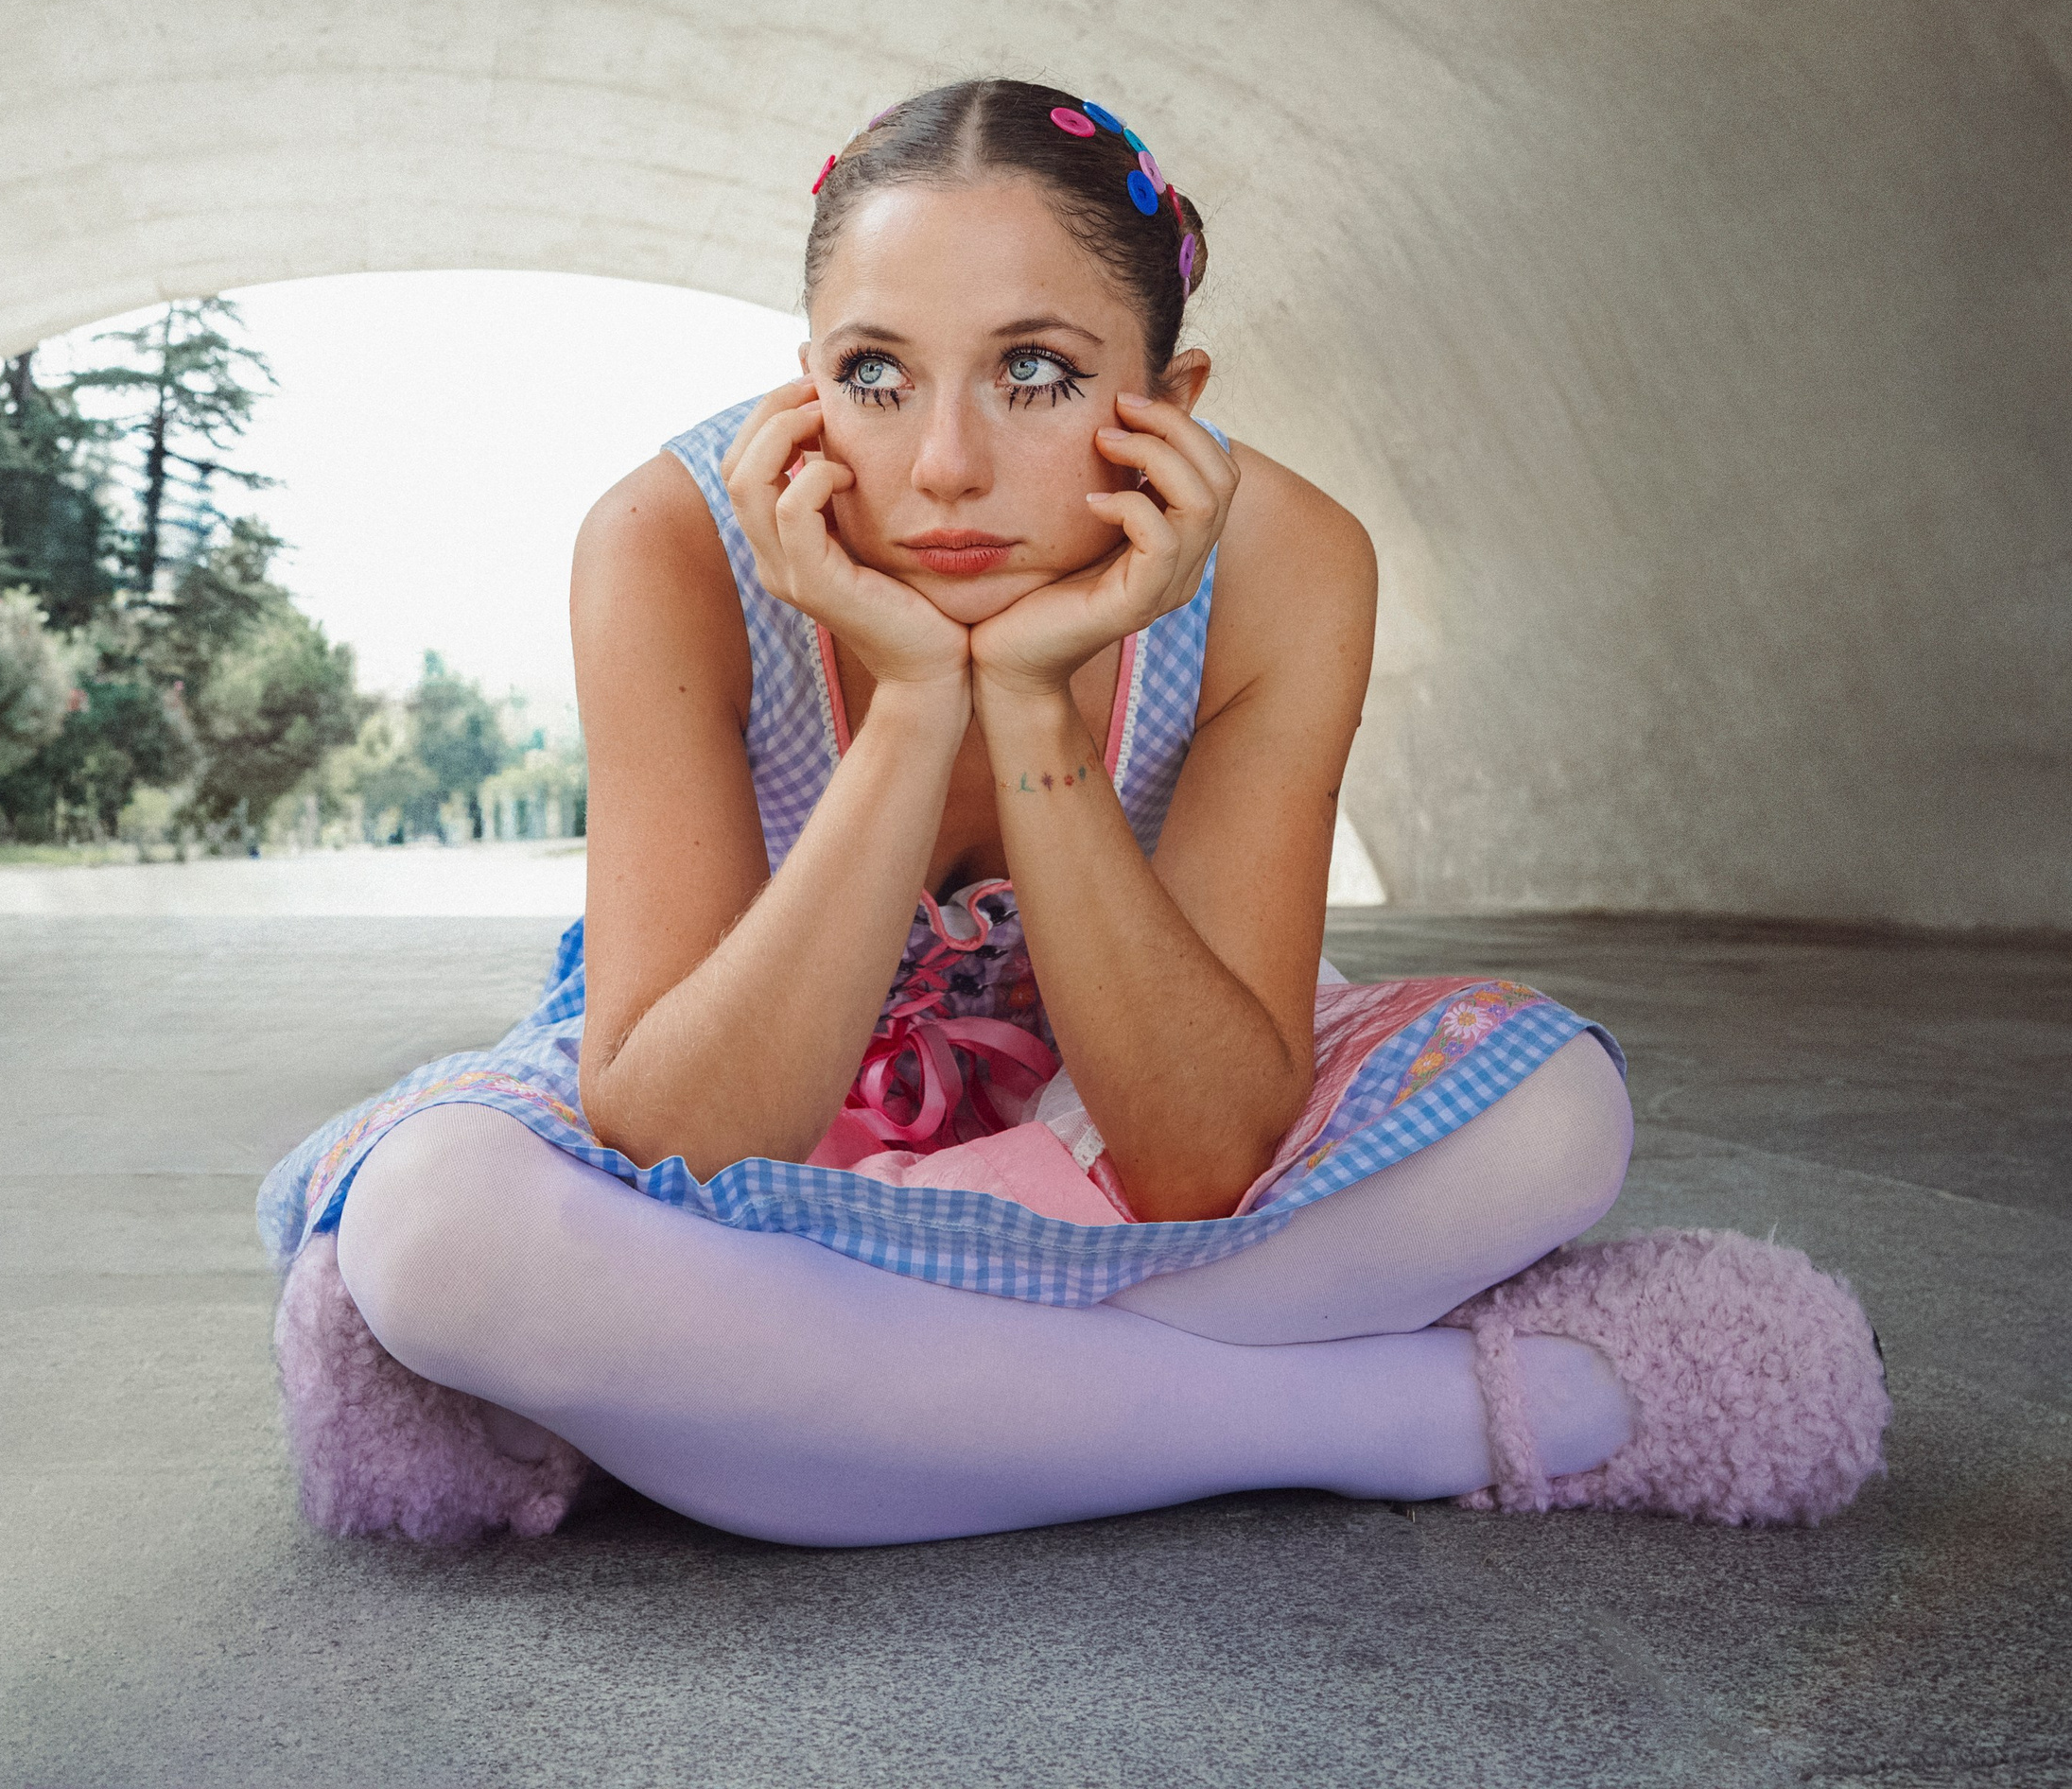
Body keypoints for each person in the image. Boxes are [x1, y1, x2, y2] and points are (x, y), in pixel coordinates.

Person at [263, 79, 1889, 1548]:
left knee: (1557, 1121)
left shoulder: (1285, 560)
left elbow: (1198, 1158)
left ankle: (726, 1390)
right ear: (804, 387)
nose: (943, 466)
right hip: (758, 1088)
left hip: (1111, 1096)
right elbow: (681, 1137)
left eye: (1034, 374)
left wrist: (1034, 699)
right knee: (436, 1235)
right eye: (875, 376)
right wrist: (914, 704)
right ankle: (1403, 1419)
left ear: (1172, 395)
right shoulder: (669, 543)